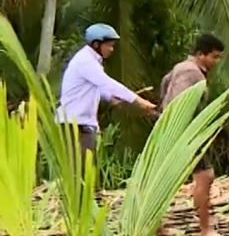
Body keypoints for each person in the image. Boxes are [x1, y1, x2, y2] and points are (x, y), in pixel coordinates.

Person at [160, 34, 226, 236]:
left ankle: (157, 226)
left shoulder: (181, 67)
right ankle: (205, 231)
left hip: (173, 131)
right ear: (201, 54)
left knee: (166, 180)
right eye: (214, 57)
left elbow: (164, 85)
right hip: (184, 132)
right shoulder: (192, 72)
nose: (215, 62)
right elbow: (179, 101)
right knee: (205, 176)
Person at [55, 23, 155, 156]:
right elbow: (107, 83)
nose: (111, 49)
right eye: (109, 45)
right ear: (96, 44)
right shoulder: (86, 61)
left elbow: (95, 86)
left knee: (86, 171)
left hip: (81, 127)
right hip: (75, 127)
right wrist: (138, 101)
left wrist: (109, 97)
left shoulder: (91, 60)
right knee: (79, 173)